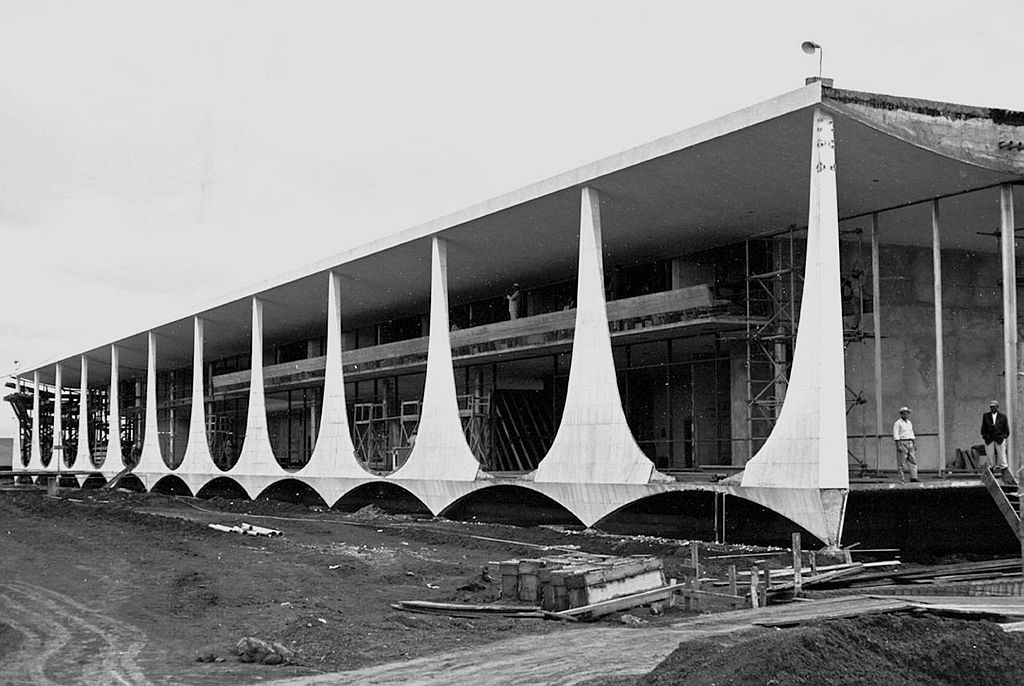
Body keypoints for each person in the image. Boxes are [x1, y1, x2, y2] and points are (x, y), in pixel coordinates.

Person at [981, 400, 1010, 475]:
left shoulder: (1003, 417)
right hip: (989, 438)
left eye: (994, 407)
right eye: (991, 407)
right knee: (990, 455)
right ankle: (991, 470)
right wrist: (985, 436)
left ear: (997, 407)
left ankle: (1004, 470)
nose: (992, 408)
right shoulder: (986, 416)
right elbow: (983, 427)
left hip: (999, 438)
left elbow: (1006, 429)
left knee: (1002, 455)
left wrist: (1004, 436)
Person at [892, 406, 919, 482]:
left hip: (910, 441)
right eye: (903, 414)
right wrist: (898, 445)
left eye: (906, 414)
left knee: (912, 460)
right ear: (901, 414)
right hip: (902, 441)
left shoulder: (909, 422)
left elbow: (911, 432)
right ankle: (902, 478)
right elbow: (896, 434)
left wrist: (914, 443)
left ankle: (914, 477)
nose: (905, 415)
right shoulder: (897, 423)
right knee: (901, 461)